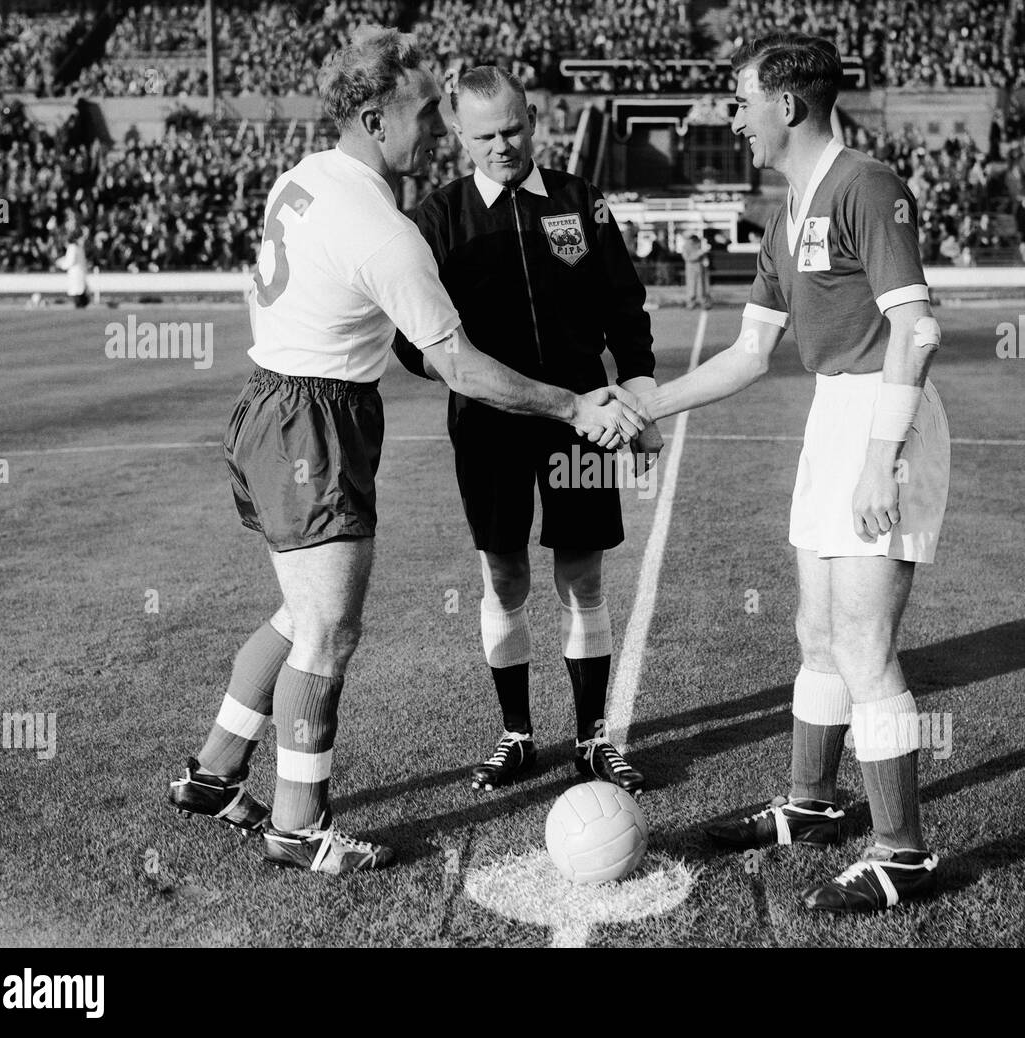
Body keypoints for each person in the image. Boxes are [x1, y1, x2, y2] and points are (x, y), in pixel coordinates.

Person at [168, 28, 647, 876]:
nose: (434, 130)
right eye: (426, 113)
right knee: (327, 631)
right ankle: (299, 827)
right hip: (314, 425)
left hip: (270, 404)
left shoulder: (304, 177)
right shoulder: (389, 228)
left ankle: (212, 774)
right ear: (371, 116)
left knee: (295, 614)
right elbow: (454, 362)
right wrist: (574, 403)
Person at [639, 33, 950, 913]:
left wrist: (879, 463)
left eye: (740, 102)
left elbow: (916, 331)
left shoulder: (867, 185)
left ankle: (904, 854)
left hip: (881, 419)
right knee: (818, 636)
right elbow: (747, 354)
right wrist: (646, 409)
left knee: (863, 646)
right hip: (832, 416)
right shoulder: (787, 212)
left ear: (786, 104)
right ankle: (813, 804)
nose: (732, 119)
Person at [392, 66, 659, 795]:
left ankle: (594, 738)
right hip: (487, 429)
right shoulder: (436, 219)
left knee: (582, 573)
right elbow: (409, 342)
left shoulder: (580, 200)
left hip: (585, 425)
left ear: (534, 118)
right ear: (456, 133)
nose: (501, 146)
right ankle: (516, 736)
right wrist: (464, 379)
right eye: (484, 136)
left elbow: (626, 307)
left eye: (512, 129)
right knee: (503, 573)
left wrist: (639, 398)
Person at [56, 231, 89, 307]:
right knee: (78, 291)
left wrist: (61, 264)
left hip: (77, 273)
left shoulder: (75, 247)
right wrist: (62, 262)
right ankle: (80, 305)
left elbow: (71, 261)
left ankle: (80, 305)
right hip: (77, 273)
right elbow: (70, 260)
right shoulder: (75, 247)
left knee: (78, 292)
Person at [680, 231, 711, 309]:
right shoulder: (686, 246)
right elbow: (687, 257)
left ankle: (704, 302)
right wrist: (699, 253)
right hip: (691, 268)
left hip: (700, 268)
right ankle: (691, 303)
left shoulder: (698, 244)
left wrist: (705, 259)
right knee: (691, 286)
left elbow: (703, 255)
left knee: (702, 286)